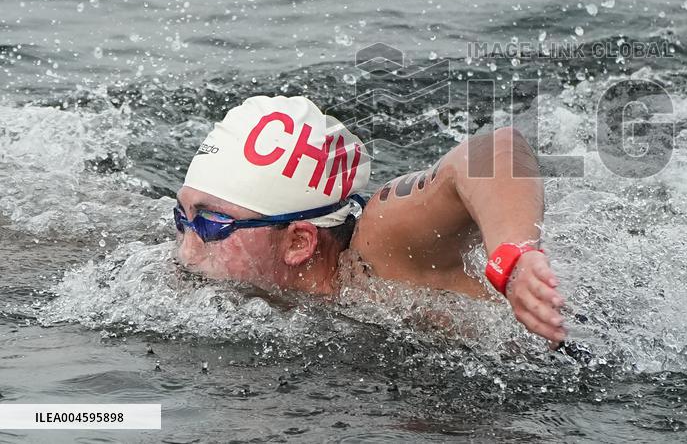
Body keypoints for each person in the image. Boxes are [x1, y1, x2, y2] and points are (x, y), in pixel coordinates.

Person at [174, 95, 567, 345]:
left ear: (299, 241)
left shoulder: (382, 256)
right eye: (184, 218)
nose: (187, 251)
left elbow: (493, 150)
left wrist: (512, 255)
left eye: (213, 224)